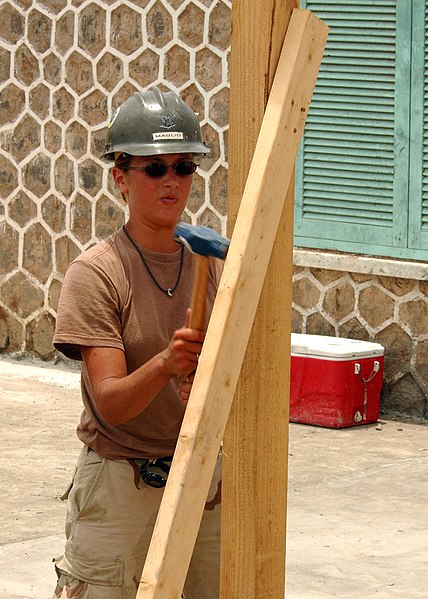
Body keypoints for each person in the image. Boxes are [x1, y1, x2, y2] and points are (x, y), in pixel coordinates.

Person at [52, 87, 222, 599]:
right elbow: (111, 402)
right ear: (121, 178)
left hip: (201, 485)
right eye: (154, 168)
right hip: (120, 488)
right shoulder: (98, 273)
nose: (172, 179)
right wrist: (167, 364)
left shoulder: (214, 266)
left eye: (184, 166)